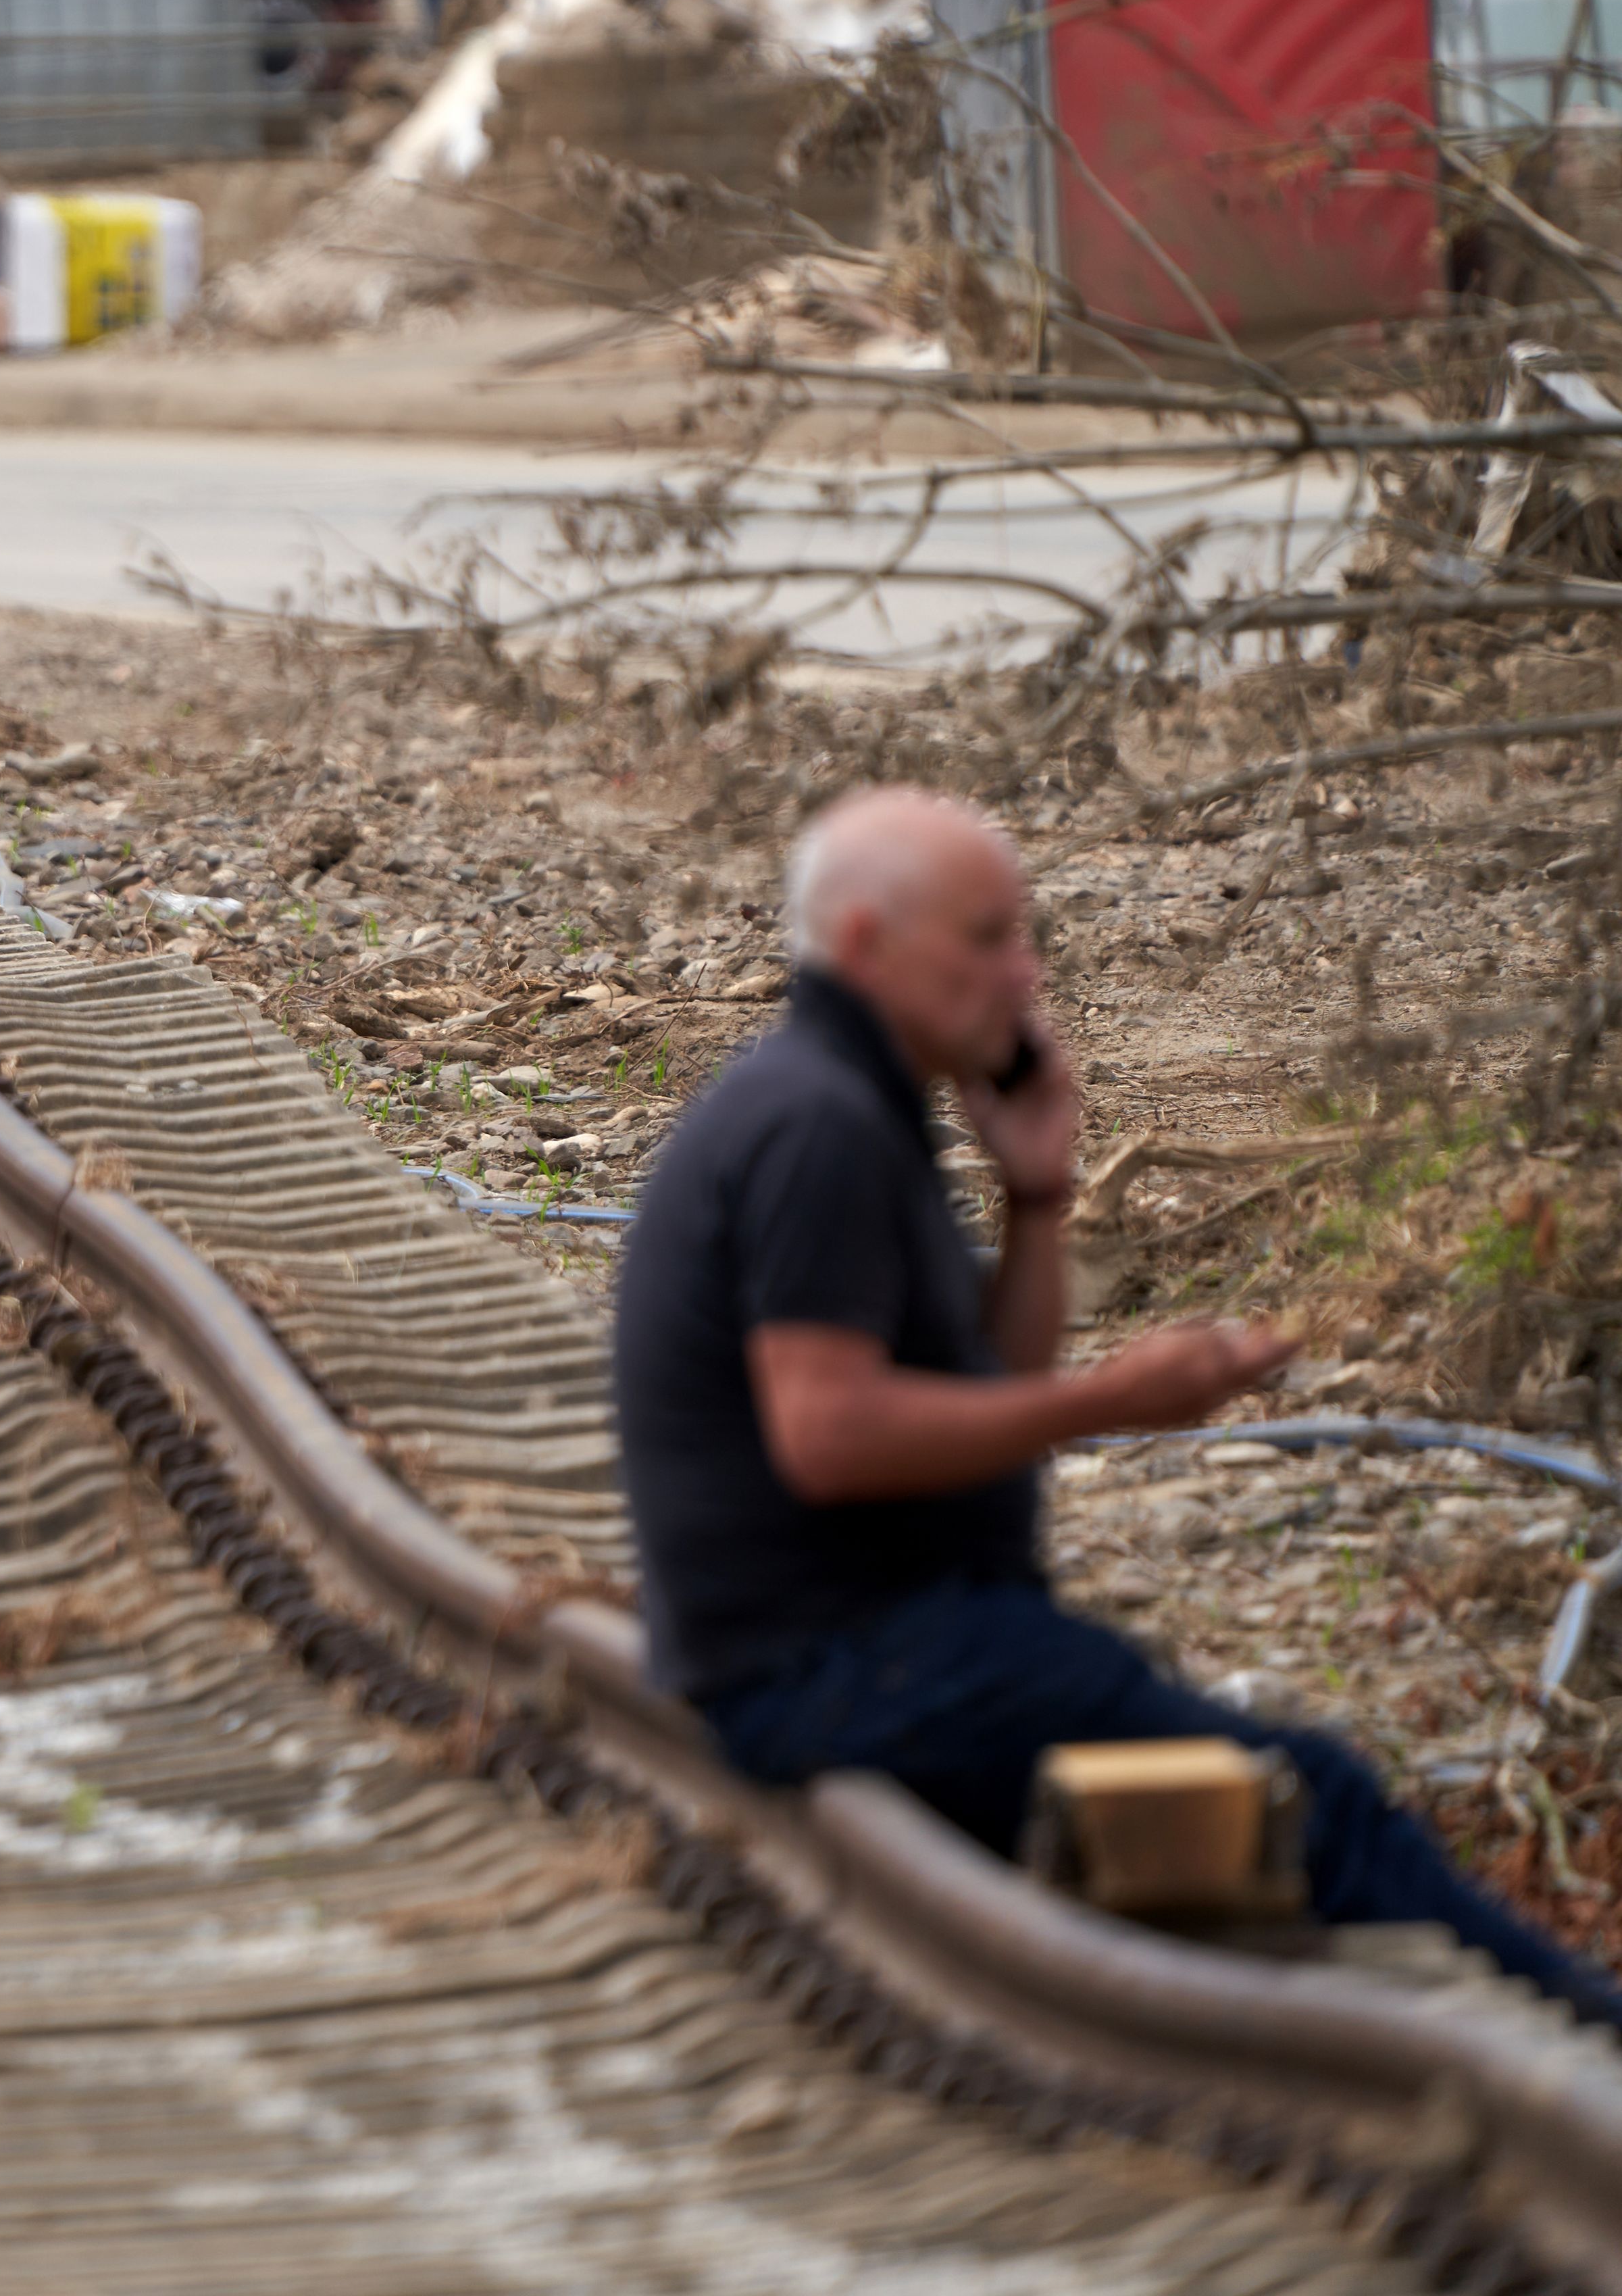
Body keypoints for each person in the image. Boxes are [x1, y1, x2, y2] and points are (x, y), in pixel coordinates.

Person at [612, 784, 1622, 2026]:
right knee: (1310, 1795)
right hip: (834, 1665)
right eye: (986, 937)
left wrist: (1037, 1197)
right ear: (870, 944)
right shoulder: (819, 1127)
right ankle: (1576, 2035)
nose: (1024, 969)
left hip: (856, 1644)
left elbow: (987, 1386)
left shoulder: (845, 1099)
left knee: (1199, 1744)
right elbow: (828, 1435)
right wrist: (1117, 1399)